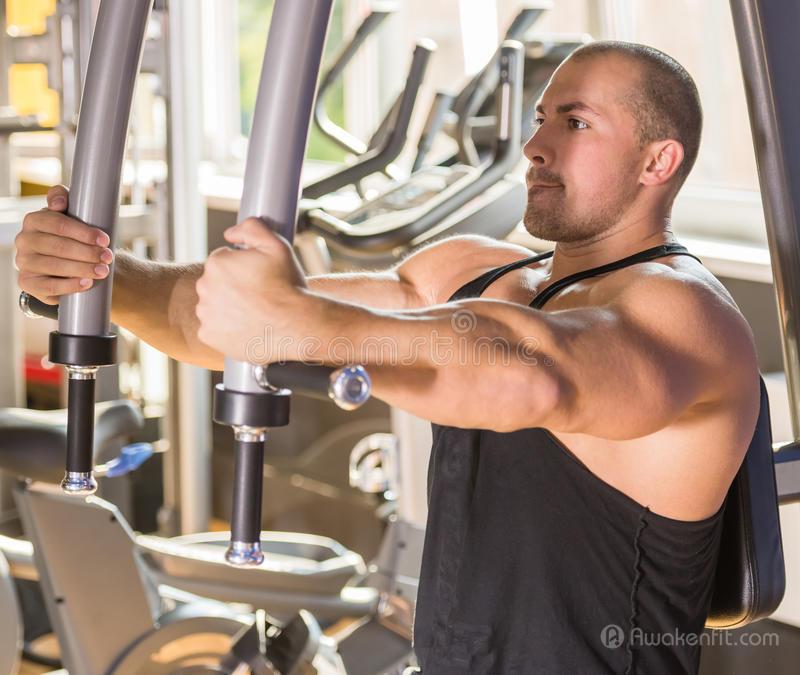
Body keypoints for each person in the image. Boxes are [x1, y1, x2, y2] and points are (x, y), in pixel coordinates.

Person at [15, 41, 761, 674]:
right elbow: (213, 319)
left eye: (577, 122)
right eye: (540, 119)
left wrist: (305, 319)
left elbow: (527, 375)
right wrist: (97, 279)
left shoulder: (683, 311)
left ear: (657, 160)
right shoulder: (472, 269)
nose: (537, 146)